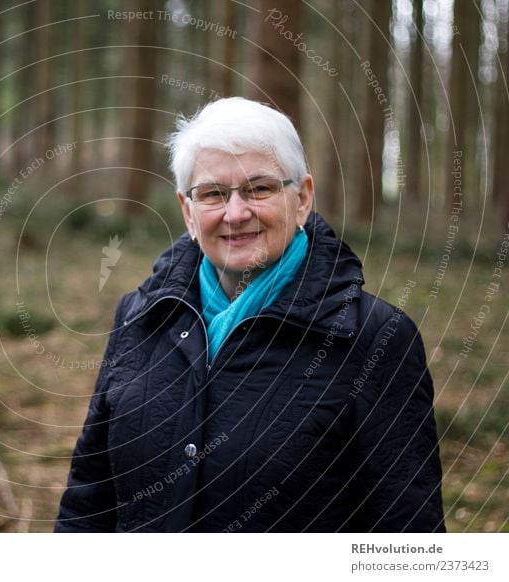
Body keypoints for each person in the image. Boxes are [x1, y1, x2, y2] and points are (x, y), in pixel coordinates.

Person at [54, 97, 445, 532]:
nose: (235, 213)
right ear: (188, 211)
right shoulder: (140, 316)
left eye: (259, 188)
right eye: (213, 194)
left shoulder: (377, 338)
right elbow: (89, 500)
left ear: (302, 199)